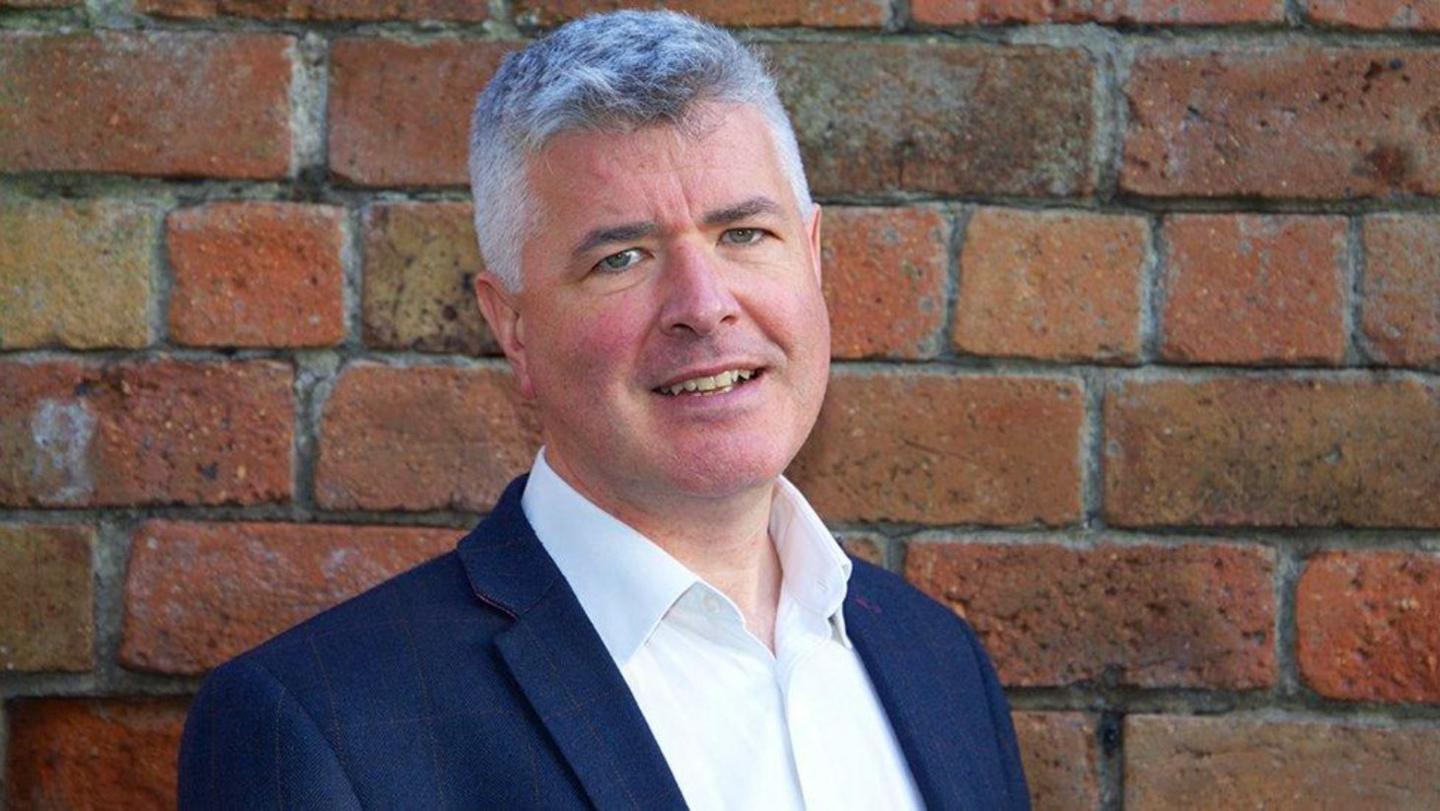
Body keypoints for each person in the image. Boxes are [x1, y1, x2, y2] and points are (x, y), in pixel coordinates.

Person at [178, 11, 1028, 810]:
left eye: (743, 235)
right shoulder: (322, 728)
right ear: (512, 326)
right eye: (622, 257)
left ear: (811, 257)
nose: (705, 304)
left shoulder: (938, 663)